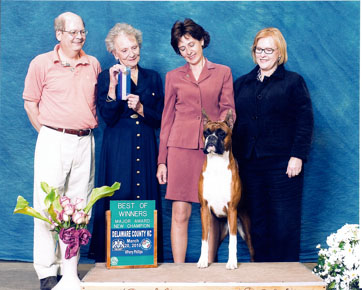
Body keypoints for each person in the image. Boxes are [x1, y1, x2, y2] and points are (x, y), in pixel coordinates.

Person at [22, 12, 101, 290]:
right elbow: (30, 103)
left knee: (80, 206)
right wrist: (47, 134)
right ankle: (47, 272)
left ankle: (70, 271)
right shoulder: (41, 63)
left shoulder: (93, 64)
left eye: (82, 31)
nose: (79, 37)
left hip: (85, 140)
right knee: (47, 206)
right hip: (53, 138)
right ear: (59, 34)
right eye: (72, 32)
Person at [156, 18, 235, 263]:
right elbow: (166, 119)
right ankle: (179, 273)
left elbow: (228, 109)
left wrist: (217, 134)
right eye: (182, 48)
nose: (188, 51)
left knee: (210, 211)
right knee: (180, 212)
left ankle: (207, 270)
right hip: (179, 150)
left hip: (212, 152)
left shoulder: (223, 72)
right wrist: (162, 161)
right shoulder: (173, 77)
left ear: (202, 40)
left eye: (191, 44)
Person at [232, 27, 314, 262]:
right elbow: (235, 124)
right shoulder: (242, 84)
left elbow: (304, 120)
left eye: (269, 50)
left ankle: (287, 278)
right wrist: (235, 159)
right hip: (250, 165)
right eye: (259, 49)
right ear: (254, 52)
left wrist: (297, 155)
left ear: (280, 53)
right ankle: (262, 276)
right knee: (257, 222)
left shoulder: (293, 82)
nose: (263, 54)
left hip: (284, 165)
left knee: (283, 222)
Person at [88, 23, 164, 262]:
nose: (131, 53)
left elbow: (161, 118)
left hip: (147, 145)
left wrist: (141, 107)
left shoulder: (153, 77)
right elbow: (107, 118)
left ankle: (144, 255)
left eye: (134, 47)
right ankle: (116, 255)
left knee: (146, 197)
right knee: (119, 194)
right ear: (114, 53)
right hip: (118, 146)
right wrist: (112, 86)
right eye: (125, 50)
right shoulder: (104, 77)